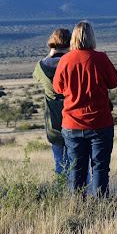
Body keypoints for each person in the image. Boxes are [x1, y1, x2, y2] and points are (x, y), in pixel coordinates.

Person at [53, 21, 117, 196]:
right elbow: (114, 82)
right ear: (92, 38)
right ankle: (101, 206)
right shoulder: (101, 58)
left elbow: (58, 88)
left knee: (77, 170)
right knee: (100, 168)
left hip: (72, 124)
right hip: (100, 122)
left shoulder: (65, 60)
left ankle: (79, 207)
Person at [33, 28, 73, 176]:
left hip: (53, 122)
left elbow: (36, 75)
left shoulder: (41, 67)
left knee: (60, 163)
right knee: (78, 164)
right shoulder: (72, 64)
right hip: (73, 118)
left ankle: (61, 194)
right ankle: (81, 196)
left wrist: (52, 53)